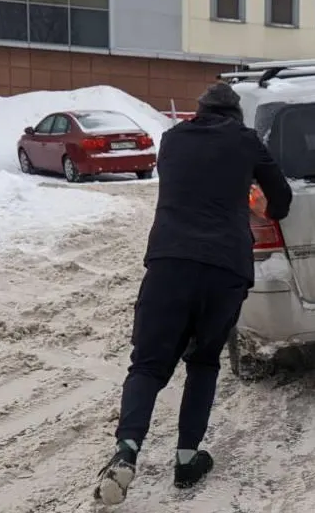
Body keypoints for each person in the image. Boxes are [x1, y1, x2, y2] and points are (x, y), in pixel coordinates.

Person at [93, 83, 292, 505]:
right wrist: (258, 203)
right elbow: (282, 201)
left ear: (198, 112)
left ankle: (126, 451)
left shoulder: (172, 140)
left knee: (148, 364)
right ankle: (187, 459)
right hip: (225, 268)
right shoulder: (246, 141)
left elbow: (188, 182)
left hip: (170, 263)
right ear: (235, 116)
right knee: (203, 361)